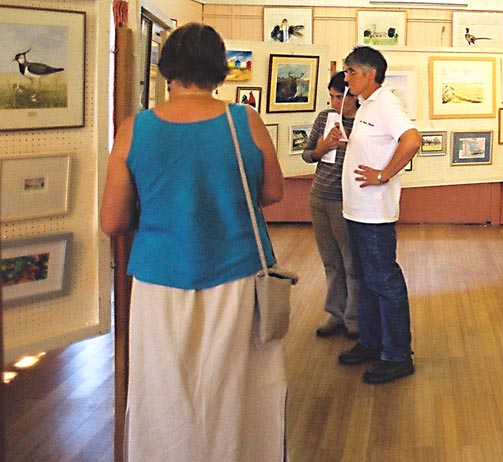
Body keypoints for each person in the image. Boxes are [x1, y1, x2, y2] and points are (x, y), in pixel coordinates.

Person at [100, 23, 287, 461]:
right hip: (237, 271)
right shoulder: (244, 120)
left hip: (159, 277)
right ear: (220, 69)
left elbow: (113, 221)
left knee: (163, 389)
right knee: (236, 387)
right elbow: (273, 192)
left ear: (167, 68)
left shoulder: (136, 128)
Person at [335, 46, 421, 384]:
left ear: (371, 74)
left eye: (351, 72)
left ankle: (398, 356)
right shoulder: (365, 104)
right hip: (356, 210)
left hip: (374, 214)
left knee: (384, 282)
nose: (346, 78)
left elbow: (412, 141)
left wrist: (383, 175)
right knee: (365, 280)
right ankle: (371, 342)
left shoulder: (385, 103)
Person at [302, 71, 360, 339]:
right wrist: (322, 148)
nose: (335, 103)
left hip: (345, 199)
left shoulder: (364, 122)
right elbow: (307, 155)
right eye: (332, 97)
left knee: (351, 261)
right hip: (319, 196)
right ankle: (336, 313)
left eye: (339, 97)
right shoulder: (324, 118)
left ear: (353, 95)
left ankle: (355, 317)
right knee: (330, 261)